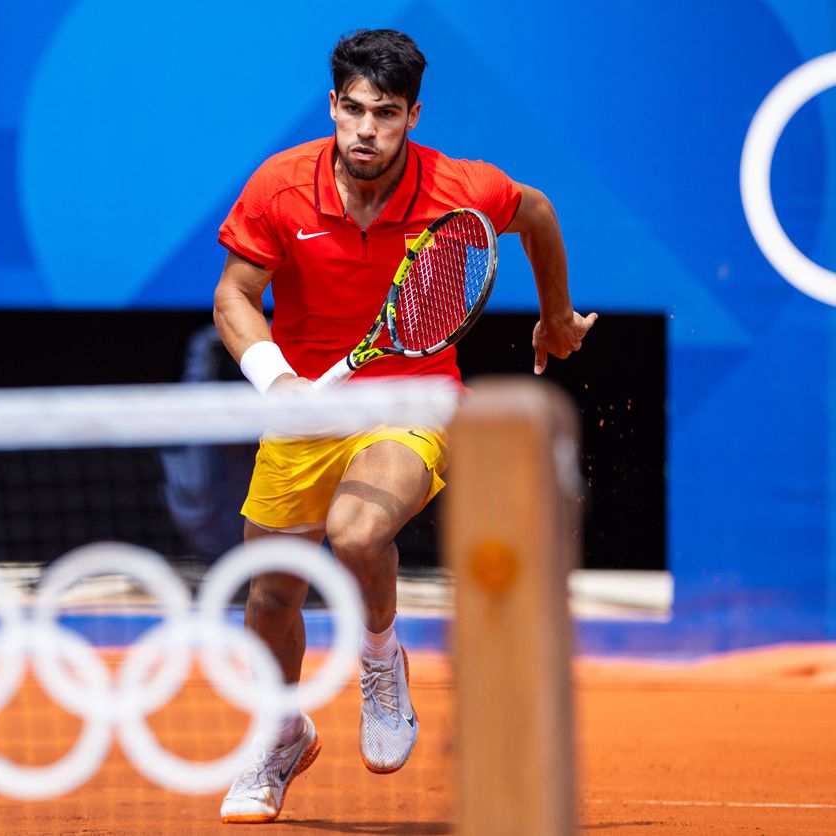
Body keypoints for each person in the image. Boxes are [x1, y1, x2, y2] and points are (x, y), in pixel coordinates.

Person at [212, 29, 596, 824]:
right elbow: (234, 299)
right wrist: (275, 380)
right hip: (306, 404)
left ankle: (381, 662)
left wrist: (556, 316)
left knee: (356, 534)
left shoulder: (459, 185)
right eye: (351, 110)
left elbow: (538, 211)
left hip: (412, 398)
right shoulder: (281, 187)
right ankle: (283, 731)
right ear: (331, 105)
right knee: (272, 597)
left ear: (413, 114)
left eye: (385, 114)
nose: (364, 130)